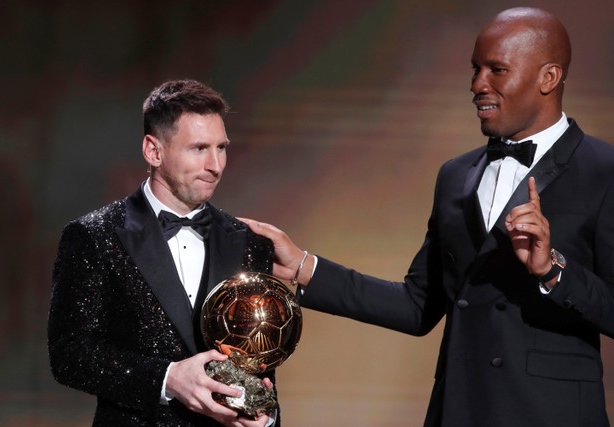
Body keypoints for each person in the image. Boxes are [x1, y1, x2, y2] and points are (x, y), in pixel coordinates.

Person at [243, 7, 614, 427]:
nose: (477, 85)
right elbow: (418, 306)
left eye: (497, 69)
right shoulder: (456, 175)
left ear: (548, 78)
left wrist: (553, 270)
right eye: (475, 69)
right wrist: (304, 266)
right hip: (457, 412)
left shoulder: (604, 170)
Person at [48, 79, 279, 427]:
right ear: (153, 151)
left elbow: (261, 365)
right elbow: (71, 355)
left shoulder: (250, 242)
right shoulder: (93, 236)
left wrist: (267, 419)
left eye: (222, 147)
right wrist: (167, 378)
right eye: (199, 148)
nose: (216, 165)